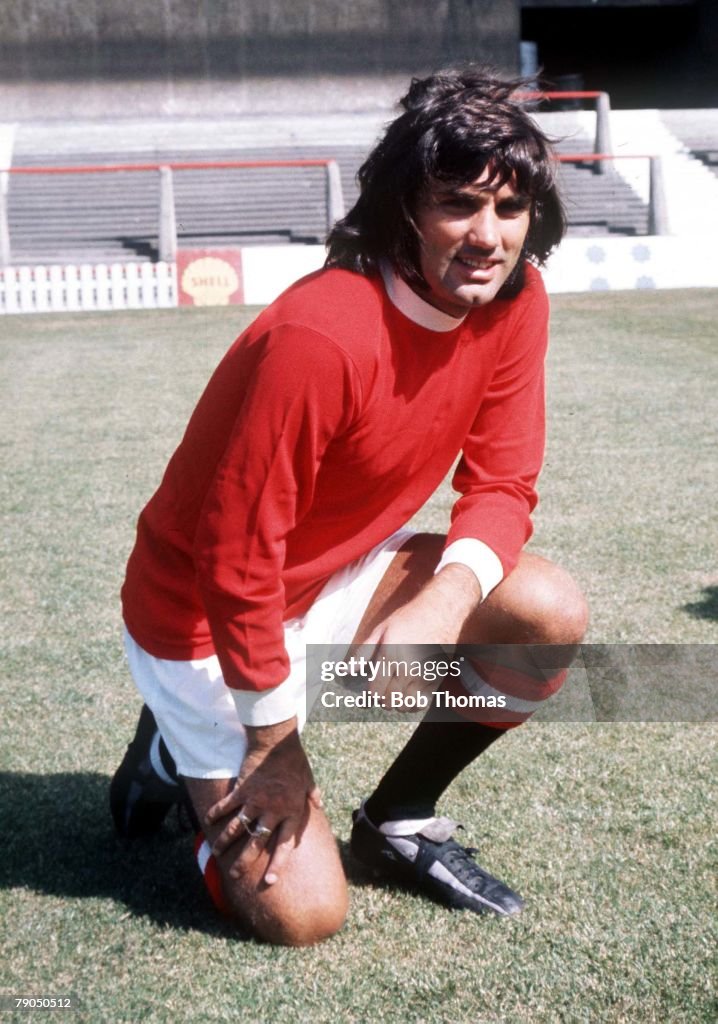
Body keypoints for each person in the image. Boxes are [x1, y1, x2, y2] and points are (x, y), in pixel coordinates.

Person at [111, 65, 588, 947]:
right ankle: (179, 747)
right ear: (406, 206)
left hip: (329, 575)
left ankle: (399, 817)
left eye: (509, 209)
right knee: (305, 916)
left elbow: (504, 481)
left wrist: (443, 599)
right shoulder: (323, 332)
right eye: (457, 204)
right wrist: (272, 742)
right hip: (202, 617)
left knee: (543, 610)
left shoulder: (516, 302)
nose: (487, 237)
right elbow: (236, 559)